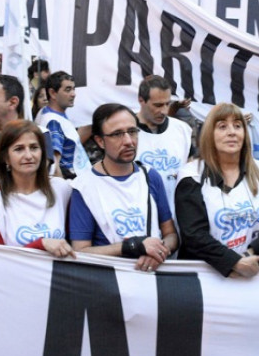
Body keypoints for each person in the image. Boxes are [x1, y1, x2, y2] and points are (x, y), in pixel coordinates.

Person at [175, 103, 259, 276]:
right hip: (206, 278)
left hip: (255, 273)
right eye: (222, 126)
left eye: (238, 126)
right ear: (209, 134)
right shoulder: (191, 175)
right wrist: (233, 262)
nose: (232, 132)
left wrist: (251, 256)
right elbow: (194, 235)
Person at [69, 103, 179, 271]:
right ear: (100, 141)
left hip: (152, 280)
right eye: (117, 134)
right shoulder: (83, 186)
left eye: (132, 131)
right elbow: (80, 251)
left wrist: (159, 251)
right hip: (110, 283)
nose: (128, 141)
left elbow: (171, 235)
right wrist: (131, 247)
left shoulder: (150, 176)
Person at [0, 120, 74, 256]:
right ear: (6, 158)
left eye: (34, 147)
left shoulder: (62, 189)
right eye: (19, 149)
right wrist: (40, 244)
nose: (28, 156)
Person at [135, 75, 193, 216]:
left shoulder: (183, 130)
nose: (164, 111)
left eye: (167, 104)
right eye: (158, 105)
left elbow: (192, 169)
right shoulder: (127, 132)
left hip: (179, 214)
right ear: (141, 100)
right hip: (142, 215)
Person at [37, 71, 90, 179]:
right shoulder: (53, 122)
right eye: (68, 89)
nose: (73, 94)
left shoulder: (46, 112)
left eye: (73, 89)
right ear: (53, 93)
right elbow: (53, 165)